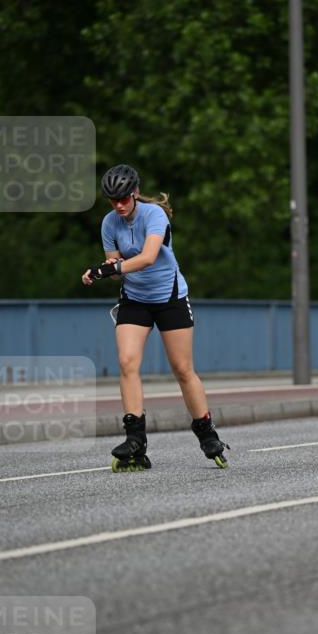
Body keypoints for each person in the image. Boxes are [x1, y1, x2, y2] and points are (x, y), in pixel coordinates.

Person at [81, 163, 229, 470]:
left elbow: (148, 258)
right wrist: (103, 271)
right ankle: (135, 438)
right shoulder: (109, 223)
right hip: (135, 299)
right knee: (127, 362)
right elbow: (116, 271)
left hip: (170, 297)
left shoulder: (154, 215)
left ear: (135, 193)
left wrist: (109, 267)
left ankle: (206, 431)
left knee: (182, 368)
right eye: (113, 200)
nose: (119, 205)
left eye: (123, 198)